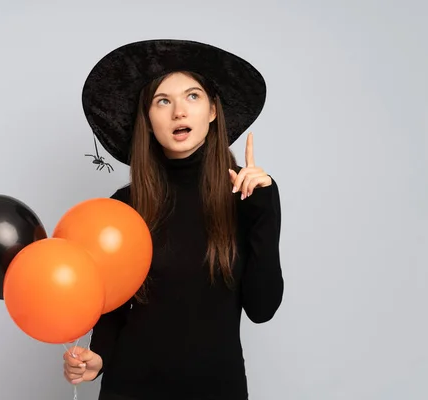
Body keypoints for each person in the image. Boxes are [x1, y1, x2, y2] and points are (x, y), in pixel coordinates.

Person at [63, 39, 284, 400]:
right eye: (162, 101)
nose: (178, 112)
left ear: (213, 110)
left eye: (192, 97)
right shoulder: (124, 205)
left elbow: (262, 308)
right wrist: (97, 358)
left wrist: (263, 209)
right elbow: (114, 305)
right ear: (148, 120)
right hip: (130, 387)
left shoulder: (249, 194)